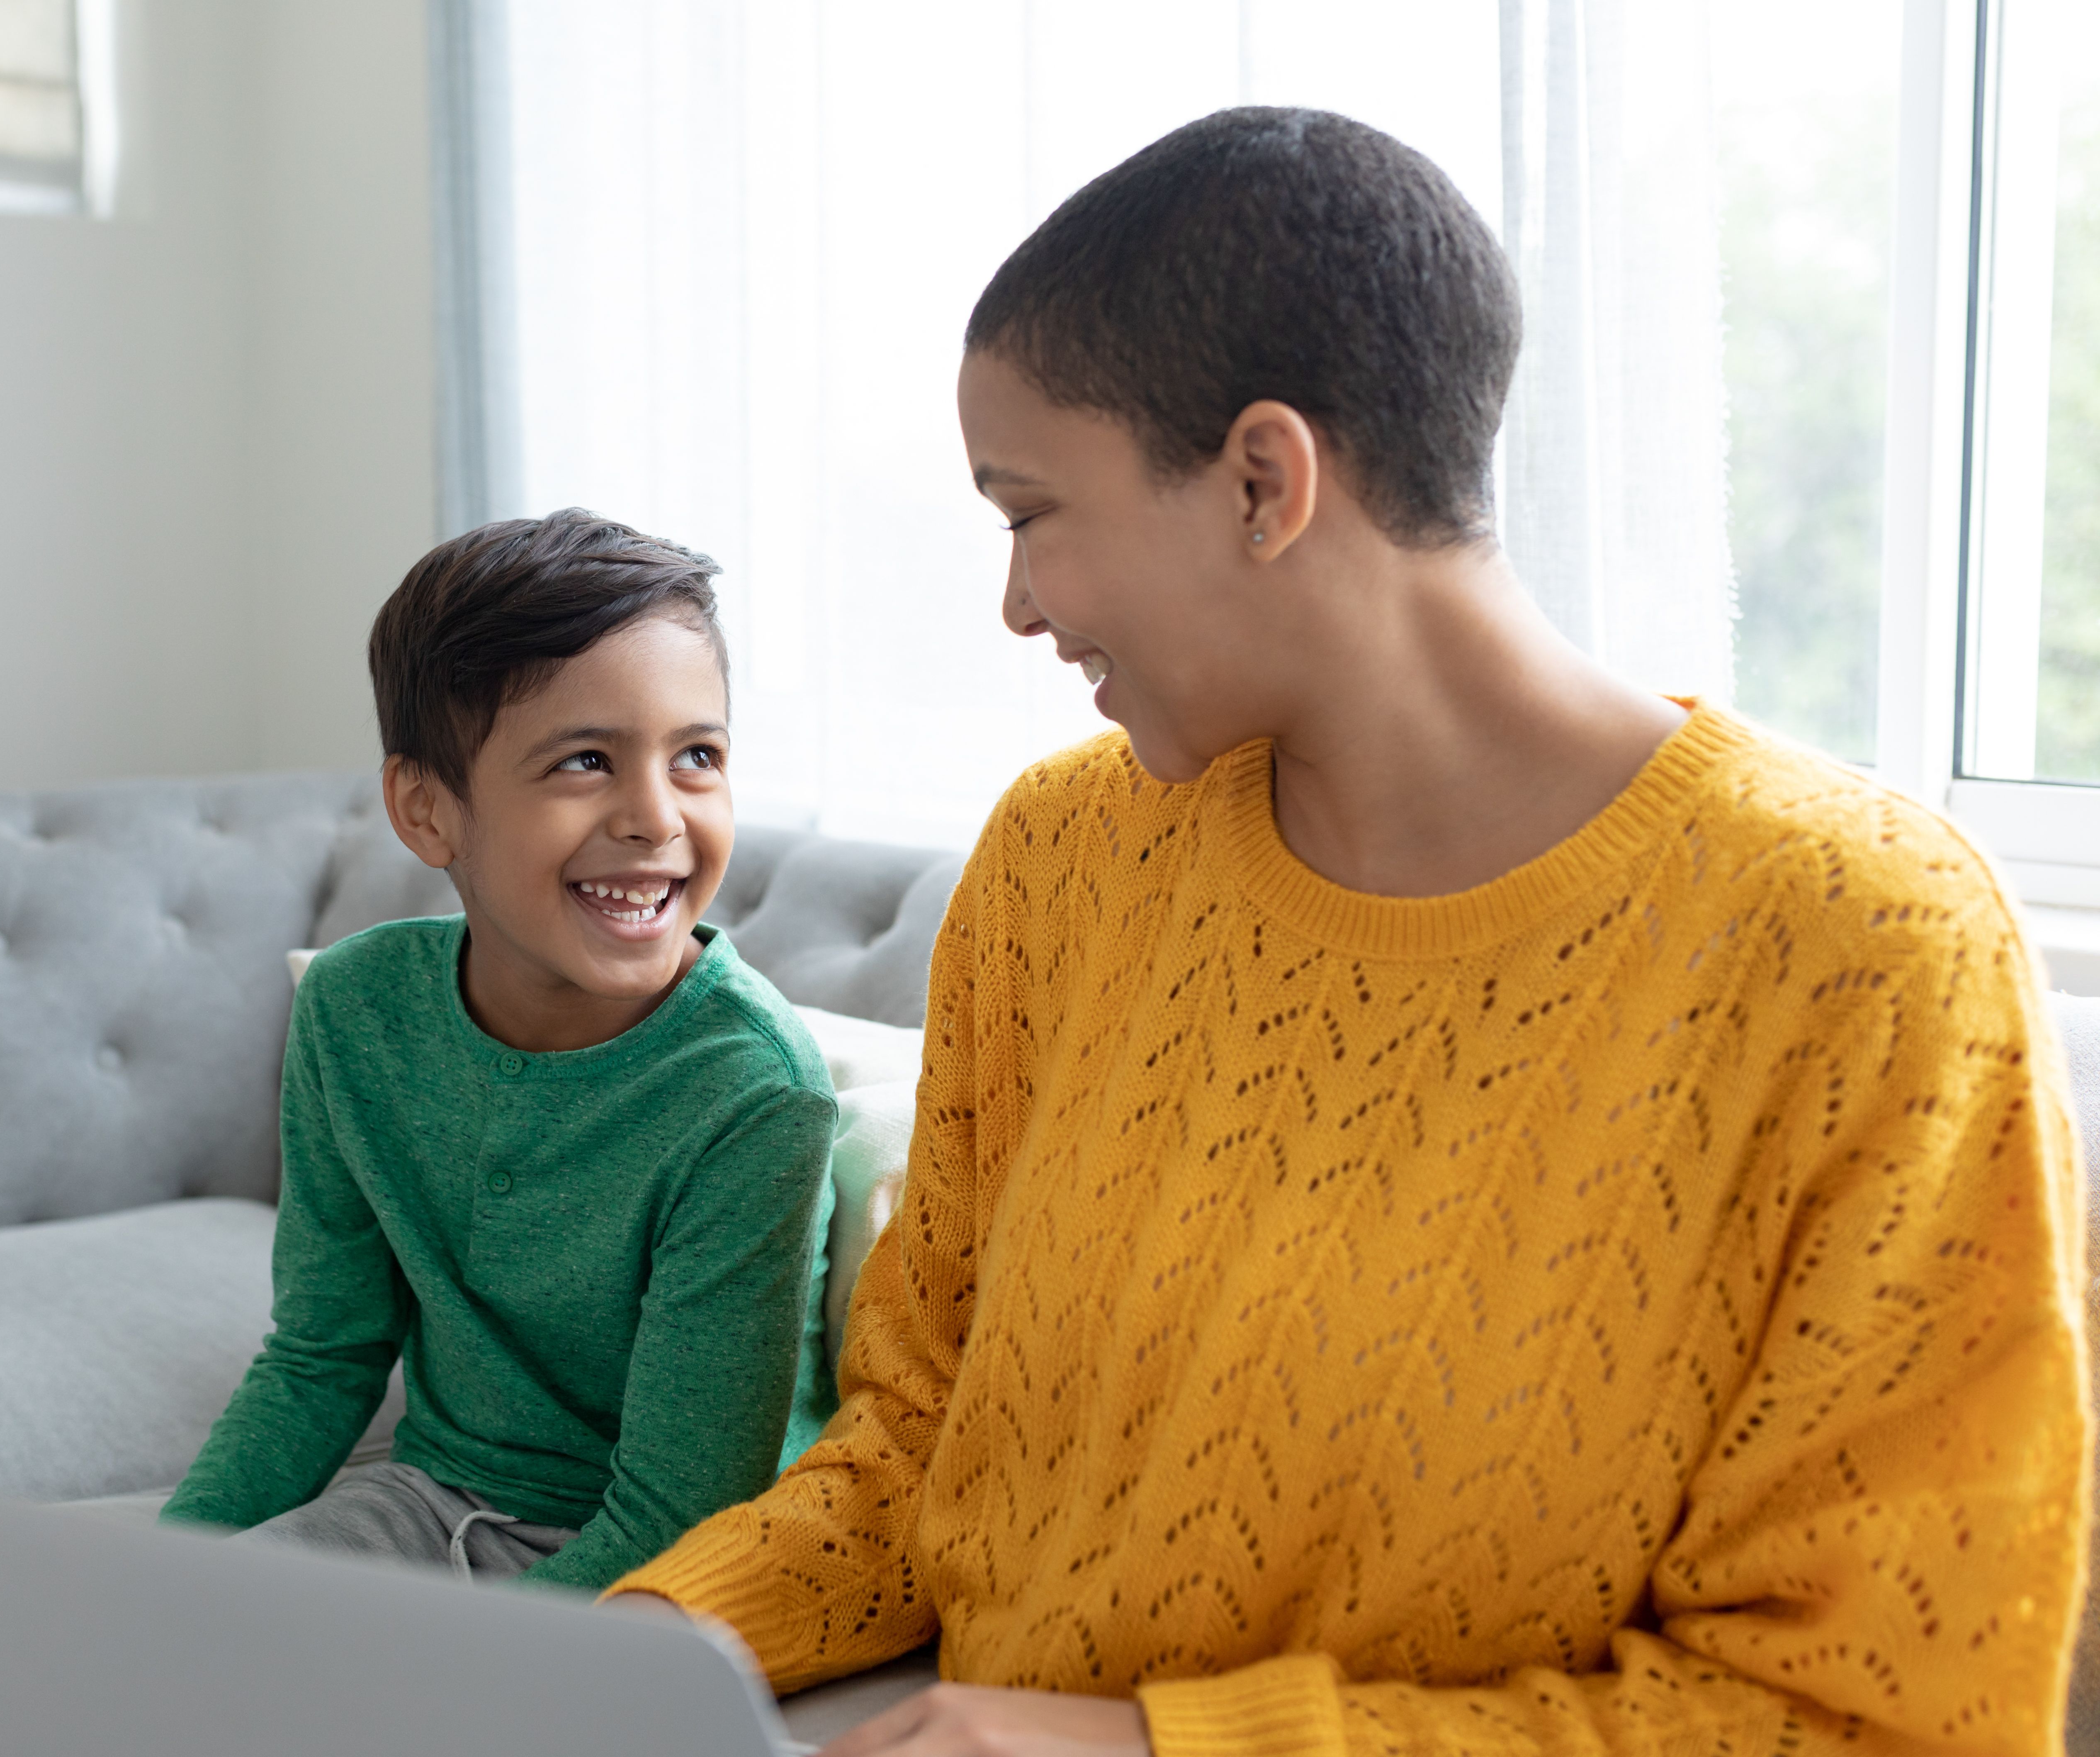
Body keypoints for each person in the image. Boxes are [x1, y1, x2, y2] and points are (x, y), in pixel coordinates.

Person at [606, 107, 2089, 1753]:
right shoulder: (1061, 863)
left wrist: (1161, 1745)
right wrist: (624, 1657)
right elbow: (919, 1450)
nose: (1017, 604)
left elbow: (1861, 1716)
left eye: (1029, 513)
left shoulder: (1866, 951)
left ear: (1263, 481)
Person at [162, 511, 840, 1589]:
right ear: (428, 812)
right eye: (585, 762)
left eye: (697, 757)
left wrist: (481, 1663)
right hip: (429, 1499)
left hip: (675, 1560)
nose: (656, 818)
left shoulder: (752, 1094)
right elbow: (321, 1357)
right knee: (152, 1653)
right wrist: (157, 1577)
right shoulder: (355, 1012)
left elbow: (683, 1502)